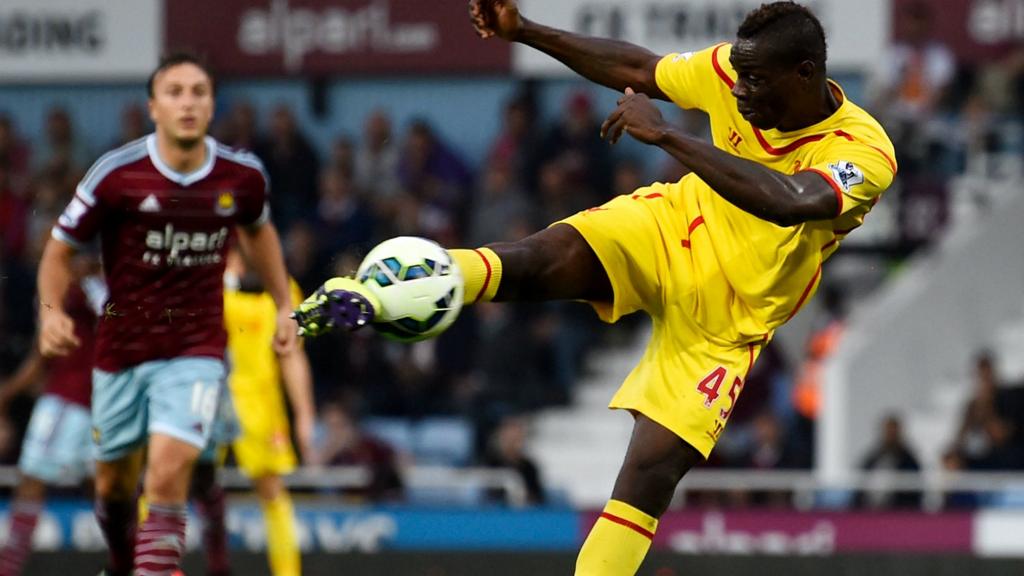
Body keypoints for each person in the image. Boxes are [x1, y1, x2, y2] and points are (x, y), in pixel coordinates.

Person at [294, 2, 896, 575]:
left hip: (729, 316)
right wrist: (523, 29)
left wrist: (668, 138)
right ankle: (376, 296)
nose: (738, 91)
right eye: (738, 77)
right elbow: (639, 68)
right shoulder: (735, 71)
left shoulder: (863, 151)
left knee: (648, 478)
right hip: (671, 227)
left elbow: (790, 202)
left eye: (756, 82)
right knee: (540, 260)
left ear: (806, 74)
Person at [36, 53, 297, 576]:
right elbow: (58, 250)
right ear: (153, 106)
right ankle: (120, 560)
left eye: (199, 91)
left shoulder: (241, 176)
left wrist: (284, 304)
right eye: (174, 92)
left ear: (211, 104)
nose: (188, 102)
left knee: (167, 469)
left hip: (195, 349)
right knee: (112, 489)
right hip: (122, 352)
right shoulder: (116, 174)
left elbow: (259, 230)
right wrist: (48, 313)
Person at [0, 259, 104, 576]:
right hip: (97, 403)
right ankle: (139, 563)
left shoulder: (80, 292)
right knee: (102, 488)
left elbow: (43, 351)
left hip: (69, 400)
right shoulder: (66, 292)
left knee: (33, 480)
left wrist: (7, 393)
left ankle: (7, 570)